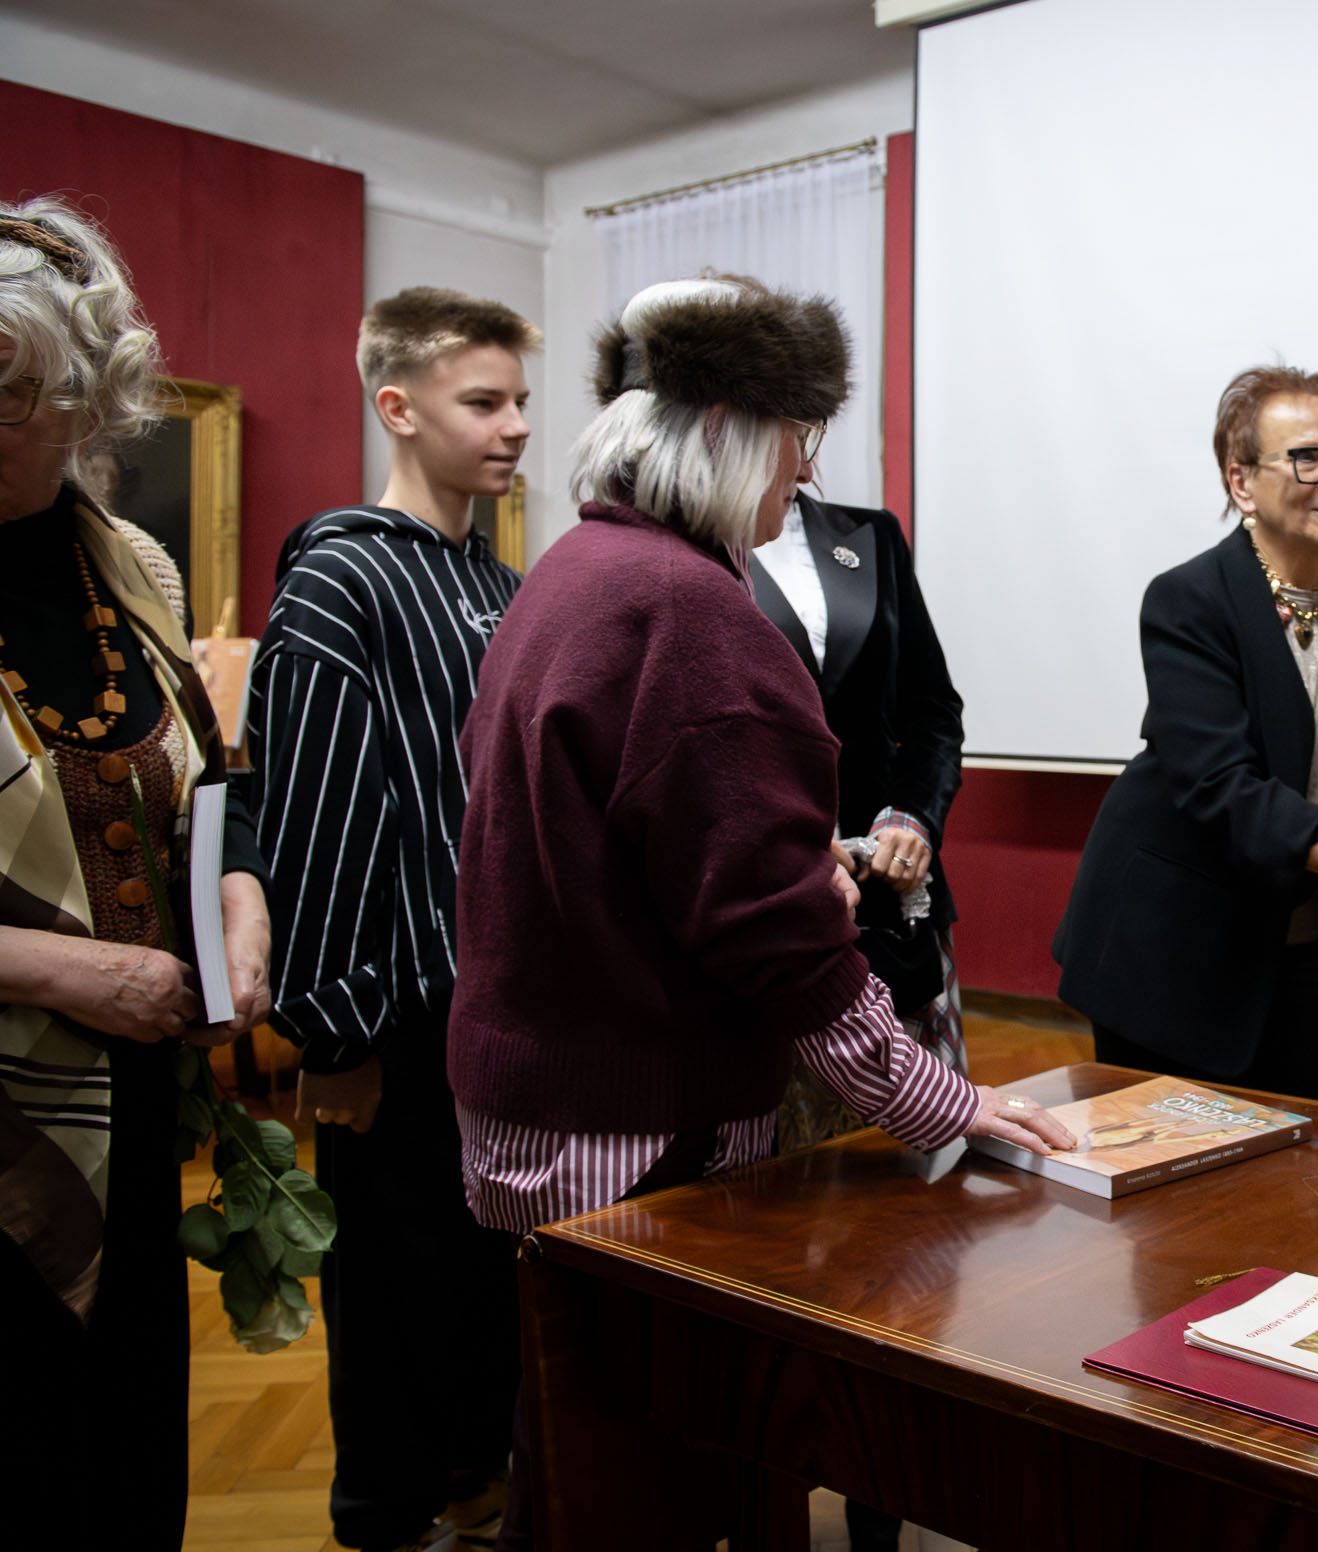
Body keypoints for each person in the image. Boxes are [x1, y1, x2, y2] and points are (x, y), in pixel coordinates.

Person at [446, 274, 1073, 1551]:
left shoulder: (573, 567)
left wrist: (786, 867)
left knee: (568, 1450)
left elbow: (610, 842)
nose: (808, 472)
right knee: (659, 1483)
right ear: (730, 428)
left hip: (538, 1102)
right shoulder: (690, 609)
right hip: (637, 1118)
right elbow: (773, 942)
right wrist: (940, 1099)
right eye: (799, 438)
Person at [246, 287, 541, 1552]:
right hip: (396, 1020)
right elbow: (314, 815)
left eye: (521, 399)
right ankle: (383, 1518)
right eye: (484, 401)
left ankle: (478, 1487)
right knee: (389, 1289)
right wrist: (334, 1034)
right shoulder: (342, 576)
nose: (515, 425)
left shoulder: (506, 584)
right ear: (398, 406)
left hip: (502, 1013)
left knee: (483, 1284)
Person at [0, 197, 274, 1548]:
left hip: (134, 1102)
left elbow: (218, 784)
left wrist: (241, 897)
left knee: (123, 1467)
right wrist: (60, 968)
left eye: (12, 392)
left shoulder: (134, 568)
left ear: (83, 398)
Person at [1051, 366, 1318, 1105]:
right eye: (1308, 459)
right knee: (1167, 1168)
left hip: (1315, 946)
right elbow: (1220, 785)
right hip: (1177, 949)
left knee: (1305, 1160)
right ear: (1241, 482)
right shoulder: (1188, 600)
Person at [747, 404, 969, 1552]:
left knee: (907, 1236)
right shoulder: (687, 555)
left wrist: (914, 816)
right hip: (768, 952)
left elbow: (934, 715)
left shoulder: (868, 537)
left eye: (811, 415)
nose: (802, 437)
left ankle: (884, 1502)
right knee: (783, 1245)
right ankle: (772, 1498)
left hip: (899, 931)